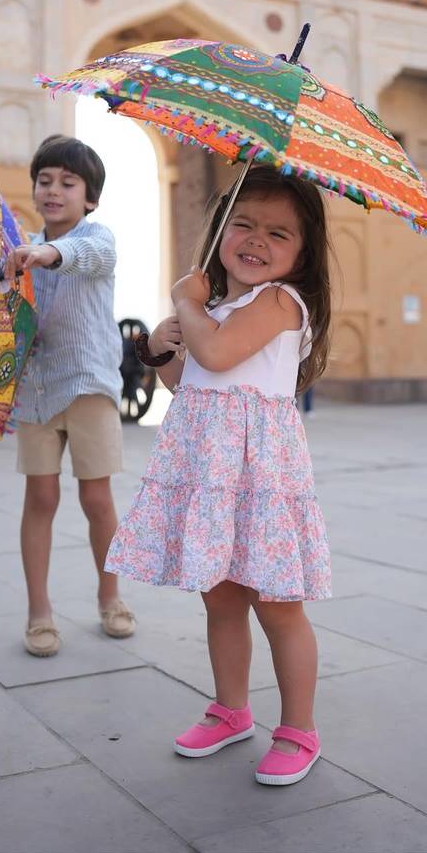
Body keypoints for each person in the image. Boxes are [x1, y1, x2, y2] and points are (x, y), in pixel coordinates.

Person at [105, 165, 331, 786]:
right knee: (222, 598)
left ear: (303, 253)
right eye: (245, 224)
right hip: (210, 470)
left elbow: (222, 353)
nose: (257, 240)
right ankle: (231, 709)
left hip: (260, 476)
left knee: (279, 604)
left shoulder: (282, 302)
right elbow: (188, 381)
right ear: (221, 230)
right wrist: (159, 348)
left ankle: (299, 729)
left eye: (279, 233)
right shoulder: (219, 308)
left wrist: (186, 303)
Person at [4, 134, 135, 657]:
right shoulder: (16, 251)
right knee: (40, 497)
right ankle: (39, 611)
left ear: (90, 198)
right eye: (45, 180)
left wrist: (45, 253)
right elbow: (10, 320)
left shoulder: (97, 239)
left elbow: (82, 255)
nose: (54, 189)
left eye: (68, 182)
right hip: (36, 391)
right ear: (34, 190)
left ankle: (111, 597)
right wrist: (3, 282)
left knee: (97, 498)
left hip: (89, 388)